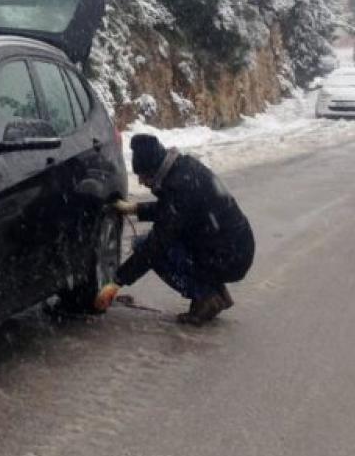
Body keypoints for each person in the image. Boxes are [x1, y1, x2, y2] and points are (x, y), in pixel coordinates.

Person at [95, 134, 255, 325]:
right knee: (160, 244)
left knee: (152, 249)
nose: (141, 182)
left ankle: (207, 297)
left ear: (154, 170)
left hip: (229, 256)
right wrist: (135, 208)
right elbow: (173, 211)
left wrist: (116, 282)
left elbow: (157, 244)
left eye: (143, 176)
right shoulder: (182, 170)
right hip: (231, 247)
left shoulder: (180, 186)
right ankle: (216, 293)